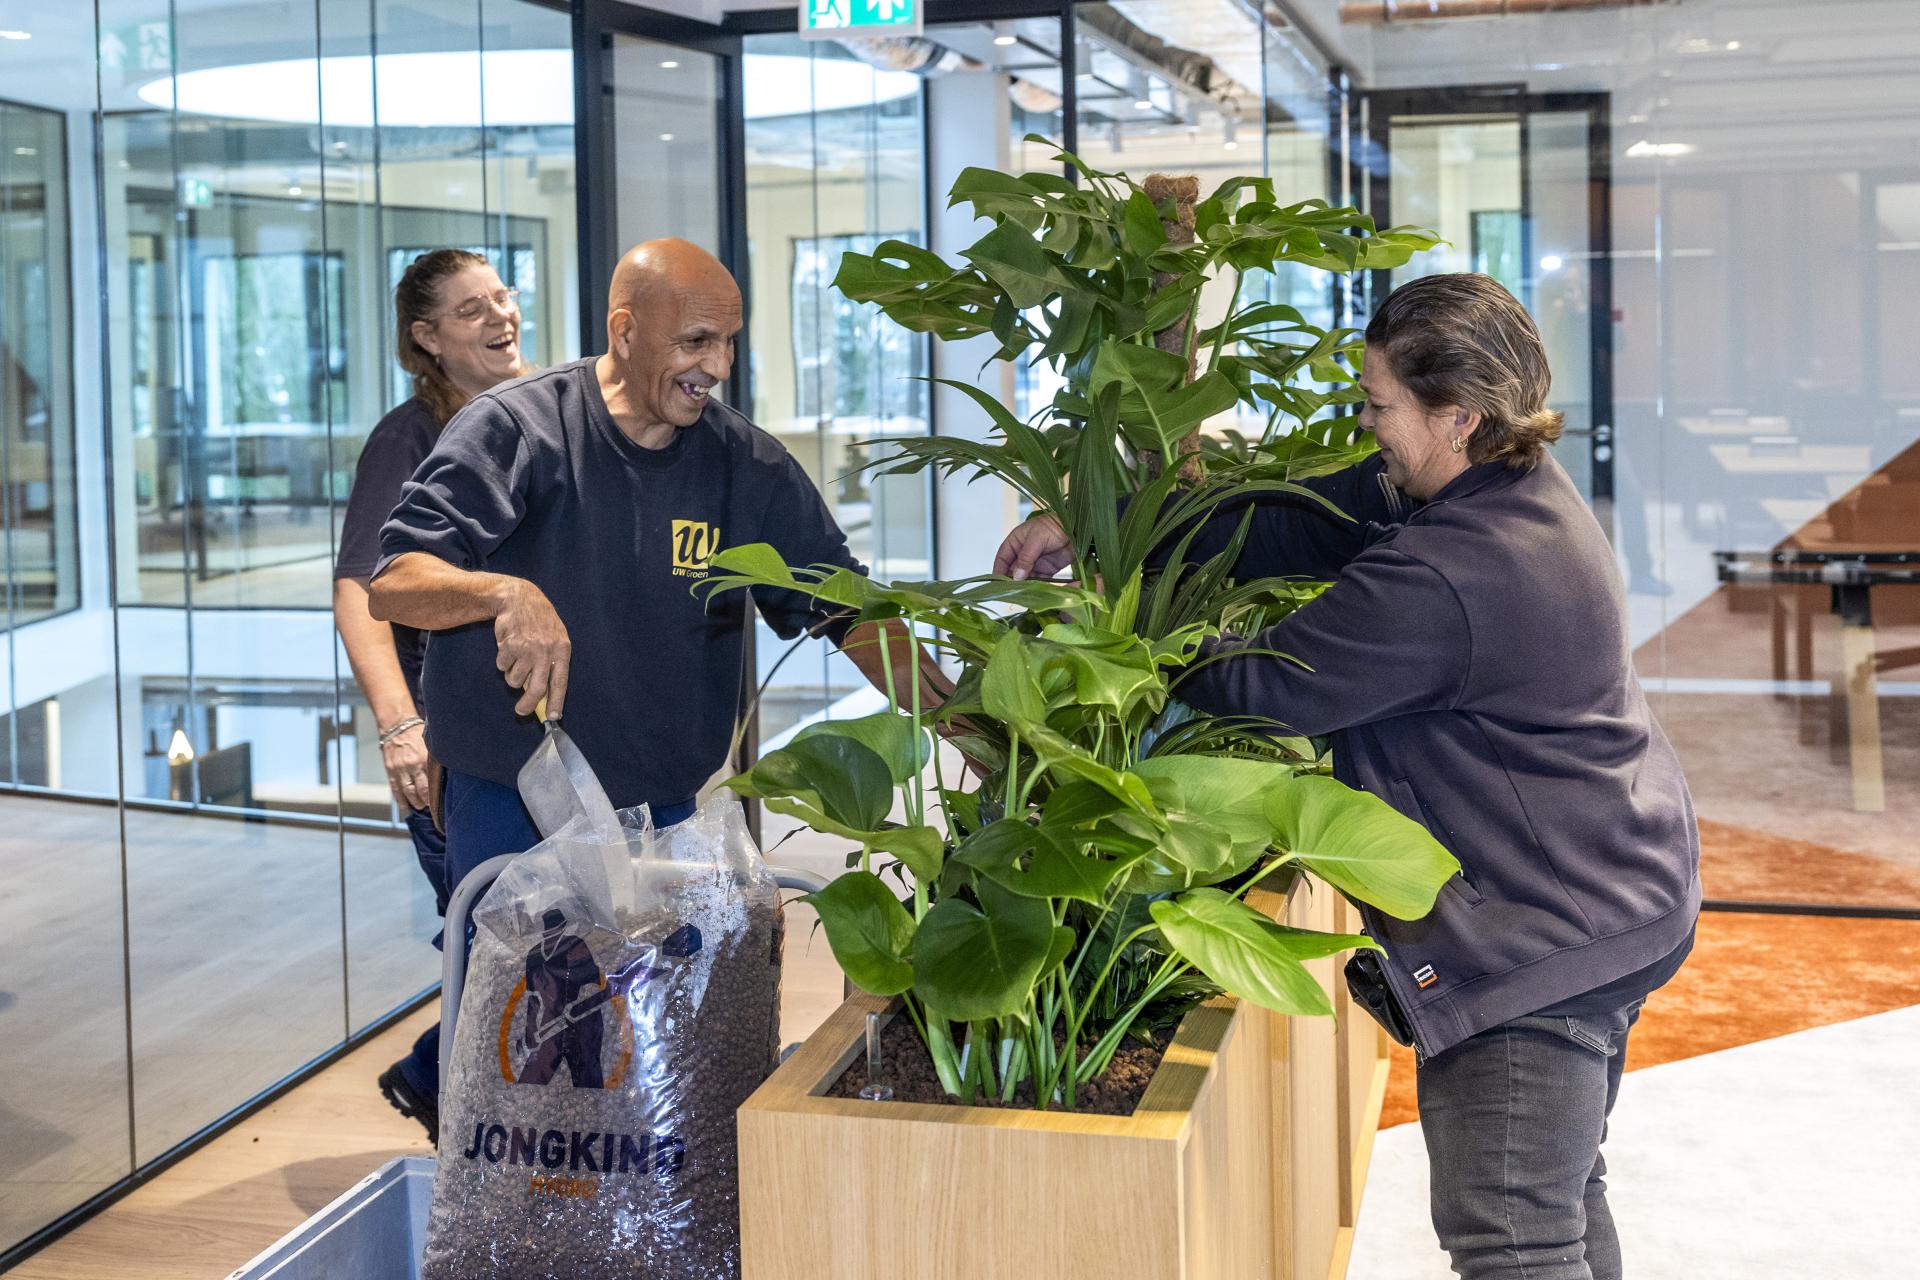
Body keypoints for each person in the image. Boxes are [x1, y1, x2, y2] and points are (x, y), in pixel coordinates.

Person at [996, 273, 1699, 1280]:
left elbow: (1266, 682)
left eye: (1378, 405)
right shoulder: (1497, 478)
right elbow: (1291, 517)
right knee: (1559, 1196)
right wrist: (1106, 525)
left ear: (1456, 414)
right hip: (1615, 880)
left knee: (1514, 1236)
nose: (1365, 423)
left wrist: (1130, 641)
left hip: (1542, 933)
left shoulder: (1455, 566)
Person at [369, 237, 940, 1136]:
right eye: (696, 342)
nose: (717, 367)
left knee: (639, 1051)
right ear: (625, 330)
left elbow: (845, 607)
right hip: (513, 796)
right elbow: (395, 578)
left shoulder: (743, 468)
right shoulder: (519, 429)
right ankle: (493, 1189)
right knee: (522, 1045)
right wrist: (503, 592)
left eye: (728, 344)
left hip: (666, 809)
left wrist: (963, 719)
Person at [333, 249, 531, 1141]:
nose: (499, 318)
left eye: (501, 297)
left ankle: (447, 1088)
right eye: (469, 310)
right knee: (499, 949)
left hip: (524, 737)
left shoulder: (526, 419)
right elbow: (360, 594)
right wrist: (401, 727)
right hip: (446, 749)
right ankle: (463, 1126)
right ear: (427, 338)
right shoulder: (410, 437)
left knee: (522, 945)